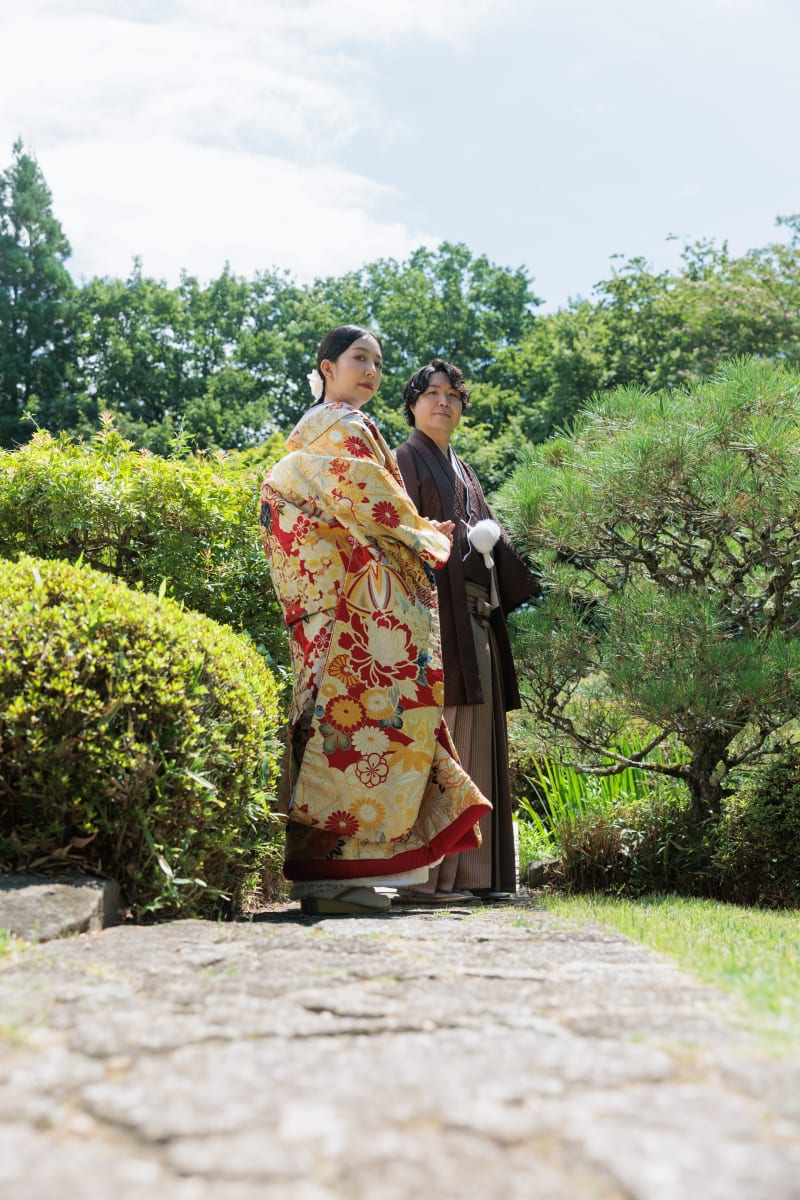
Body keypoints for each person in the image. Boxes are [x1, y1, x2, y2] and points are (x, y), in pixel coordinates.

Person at [260, 327, 492, 915]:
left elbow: (359, 511)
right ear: (327, 367)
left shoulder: (313, 430)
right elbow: (370, 498)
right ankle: (338, 876)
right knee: (356, 730)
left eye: (378, 363)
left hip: (326, 605)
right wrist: (423, 536)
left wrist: (415, 529)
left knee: (328, 730)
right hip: (349, 609)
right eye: (358, 359)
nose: (370, 371)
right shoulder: (342, 425)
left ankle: (332, 876)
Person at [394, 358, 540, 903]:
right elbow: (397, 536)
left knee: (479, 741)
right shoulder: (403, 460)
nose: (444, 402)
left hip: (476, 621)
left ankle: (479, 877)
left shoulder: (463, 468)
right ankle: (429, 878)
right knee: (447, 739)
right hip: (436, 623)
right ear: (412, 404)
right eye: (432, 393)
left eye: (453, 395)